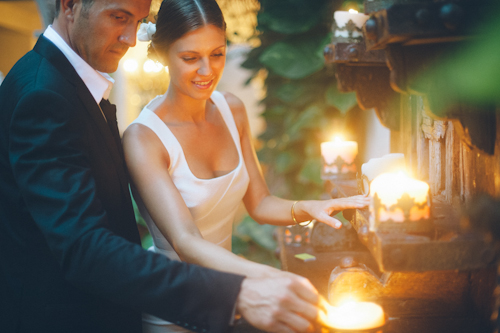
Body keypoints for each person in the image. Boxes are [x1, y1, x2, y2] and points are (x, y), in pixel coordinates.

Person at [0, 0, 331, 332]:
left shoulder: (74, 83)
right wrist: (242, 289)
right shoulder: (42, 96)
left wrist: (313, 208)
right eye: (119, 17)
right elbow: (86, 248)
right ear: (70, 5)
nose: (131, 39)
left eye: (139, 21)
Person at [123, 0, 370, 332]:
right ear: (163, 54)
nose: (207, 70)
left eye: (217, 54)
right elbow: (186, 241)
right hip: (175, 303)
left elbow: (260, 203)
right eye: (190, 58)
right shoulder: (143, 138)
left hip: (229, 295)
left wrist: (313, 206)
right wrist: (266, 275)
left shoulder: (232, 109)